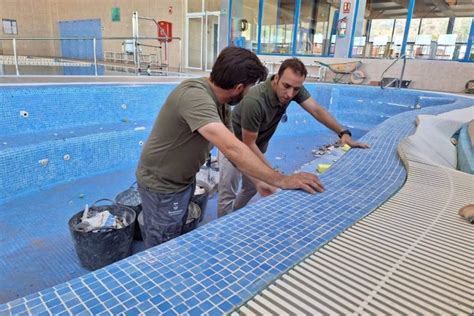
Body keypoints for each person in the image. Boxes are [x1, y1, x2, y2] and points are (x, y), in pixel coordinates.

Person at [136, 47, 323, 248]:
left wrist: (260, 182)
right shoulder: (195, 97)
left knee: (176, 233)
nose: (252, 91)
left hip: (183, 181)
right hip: (162, 186)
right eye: (251, 86)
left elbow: (232, 150)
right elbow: (232, 147)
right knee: (162, 246)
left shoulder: (220, 103)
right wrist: (281, 180)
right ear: (239, 87)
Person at [217, 58, 369, 217]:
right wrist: (278, 178)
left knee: (251, 187)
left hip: (254, 148)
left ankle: (233, 217)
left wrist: (343, 133)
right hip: (232, 146)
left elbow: (316, 110)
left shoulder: (293, 88)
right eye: (286, 86)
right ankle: (220, 231)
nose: (290, 94)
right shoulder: (255, 101)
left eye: (296, 89)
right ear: (276, 79)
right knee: (228, 194)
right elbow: (248, 144)